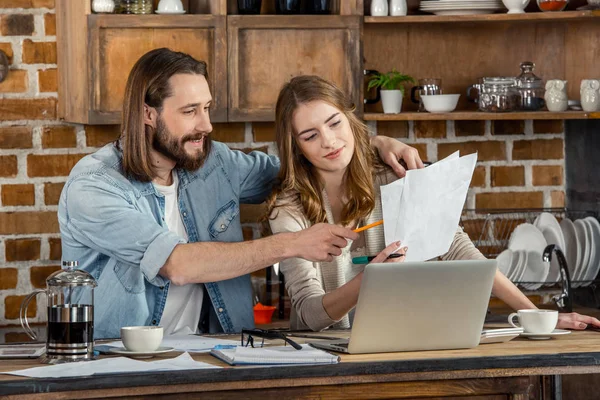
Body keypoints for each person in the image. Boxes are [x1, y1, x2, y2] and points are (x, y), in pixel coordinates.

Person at [57, 48, 424, 338]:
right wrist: (291, 243)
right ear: (148, 114)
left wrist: (371, 143)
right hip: (118, 362)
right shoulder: (94, 186)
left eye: (207, 108)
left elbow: (305, 160)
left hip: (218, 351)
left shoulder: (216, 162)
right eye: (189, 111)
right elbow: (177, 265)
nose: (206, 124)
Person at [267, 75, 600, 332]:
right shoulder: (288, 209)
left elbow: (458, 250)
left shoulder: (395, 175)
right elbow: (310, 314)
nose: (329, 141)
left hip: (405, 340)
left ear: (350, 120)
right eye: (310, 136)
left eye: (334, 123)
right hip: (322, 357)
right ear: (295, 147)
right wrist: (368, 280)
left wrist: (535, 316)